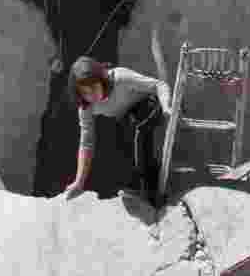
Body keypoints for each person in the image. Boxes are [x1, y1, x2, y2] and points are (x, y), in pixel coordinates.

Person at [63, 56, 172, 205]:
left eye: (94, 88)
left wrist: (166, 107)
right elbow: (86, 143)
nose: (91, 96)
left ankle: (150, 191)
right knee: (122, 136)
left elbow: (159, 85)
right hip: (129, 119)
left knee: (136, 128)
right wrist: (79, 182)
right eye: (85, 93)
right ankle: (139, 183)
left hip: (152, 107)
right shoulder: (86, 106)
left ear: (102, 80)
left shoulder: (121, 78)